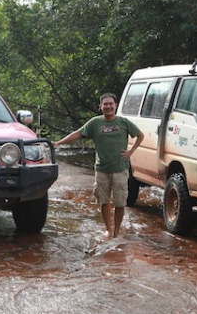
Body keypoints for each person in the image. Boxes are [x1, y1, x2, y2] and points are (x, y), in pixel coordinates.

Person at [54, 93, 144, 238]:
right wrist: (59, 143)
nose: (108, 106)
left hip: (120, 169)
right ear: (100, 106)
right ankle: (108, 229)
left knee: (120, 203)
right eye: (105, 104)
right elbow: (77, 134)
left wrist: (131, 151)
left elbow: (140, 135)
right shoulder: (94, 123)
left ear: (115, 105)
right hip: (102, 169)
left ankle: (117, 231)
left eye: (111, 104)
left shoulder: (123, 122)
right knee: (103, 201)